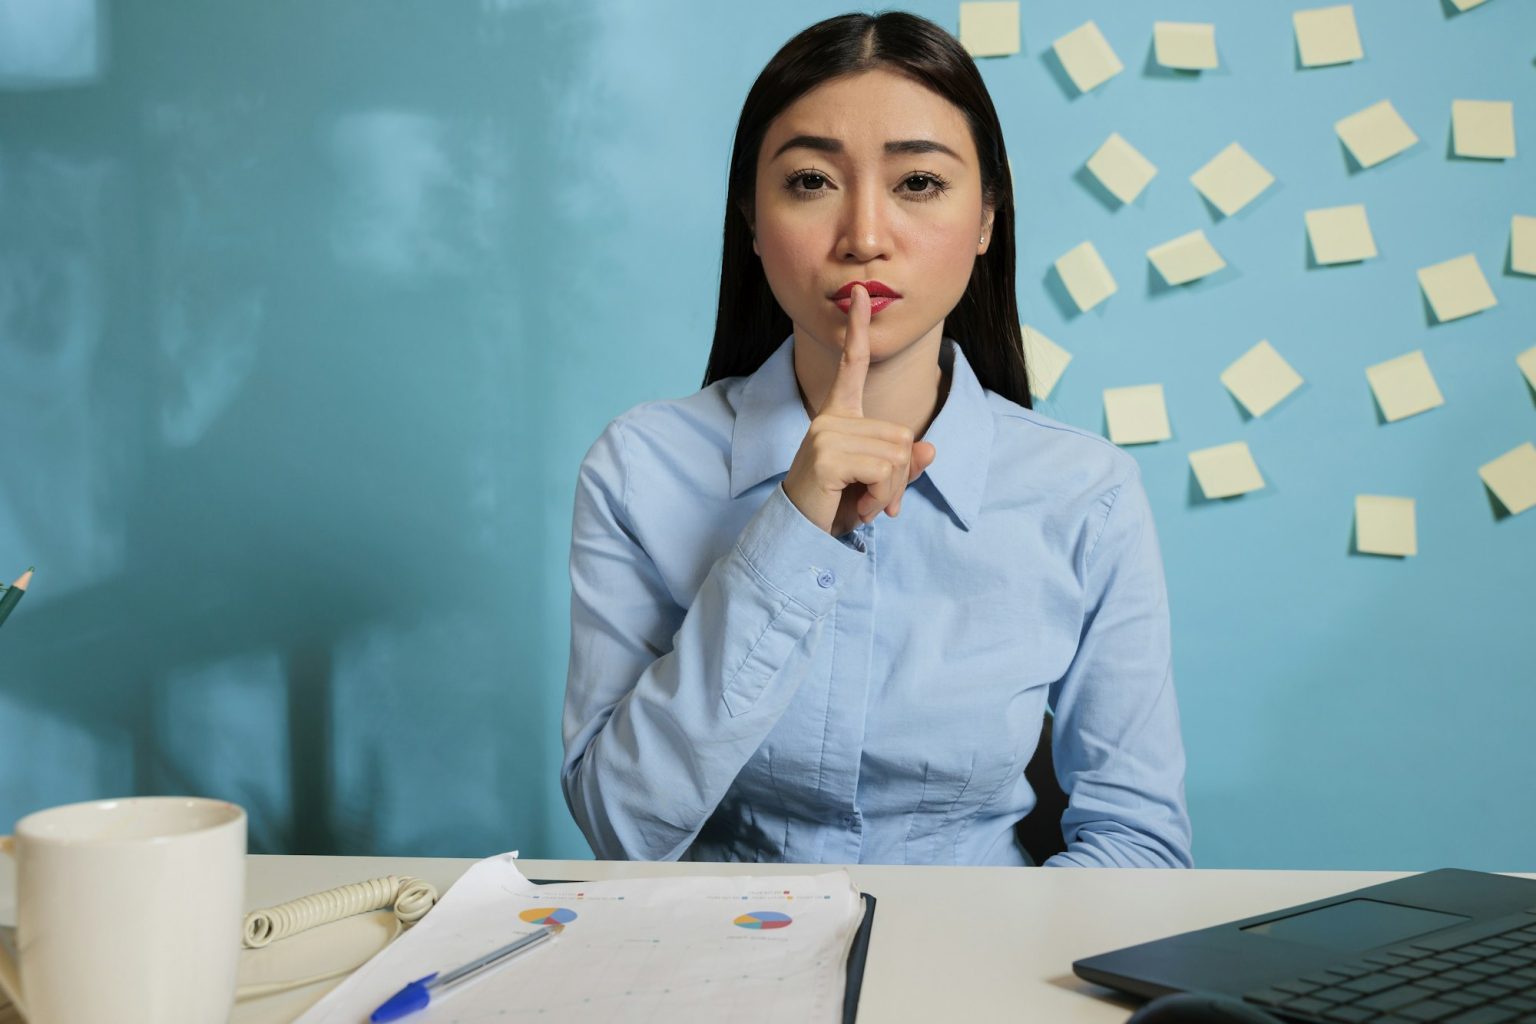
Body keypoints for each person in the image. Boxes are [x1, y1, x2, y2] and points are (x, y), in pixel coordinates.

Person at [560, 11, 1192, 868]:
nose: (863, 237)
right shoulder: (642, 467)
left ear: (986, 221)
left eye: (920, 184)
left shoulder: (1087, 491)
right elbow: (620, 829)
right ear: (752, 222)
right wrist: (793, 525)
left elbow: (1139, 846)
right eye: (812, 181)